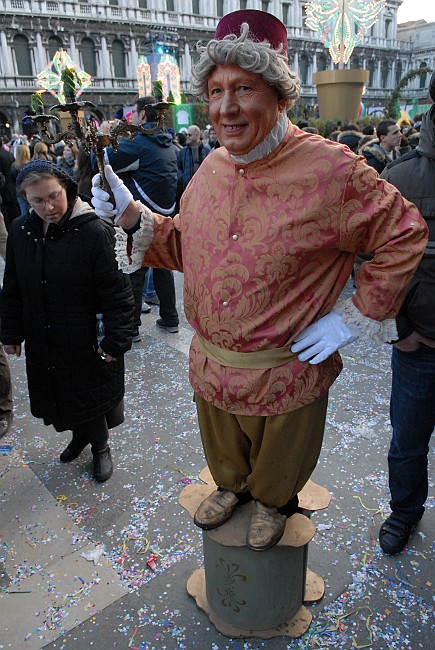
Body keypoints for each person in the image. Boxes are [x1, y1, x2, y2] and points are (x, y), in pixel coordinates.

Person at [91, 10, 427, 551]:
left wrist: (356, 314)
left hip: (285, 371)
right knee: (223, 450)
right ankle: (233, 486)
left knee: (281, 460)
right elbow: (186, 246)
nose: (225, 107)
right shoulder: (211, 167)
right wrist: (134, 217)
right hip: (211, 365)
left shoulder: (334, 170)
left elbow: (405, 232)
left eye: (243, 88)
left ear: (279, 94)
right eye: (216, 89)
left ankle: (273, 499)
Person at [0, 160, 134, 482]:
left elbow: (116, 290)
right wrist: (11, 331)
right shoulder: (21, 231)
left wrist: (118, 338)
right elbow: (13, 285)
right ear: (26, 200)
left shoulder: (93, 230)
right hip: (44, 332)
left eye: (54, 196)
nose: (48, 207)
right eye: (38, 201)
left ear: (66, 188)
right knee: (62, 393)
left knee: (89, 393)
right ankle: (80, 436)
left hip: (85, 334)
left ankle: (100, 446)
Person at [378, 74, 435, 555]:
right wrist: (400, 332)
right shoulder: (402, 176)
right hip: (421, 347)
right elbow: (373, 261)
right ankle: (404, 512)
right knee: (408, 444)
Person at [101, 95, 179, 339]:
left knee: (134, 269)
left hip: (140, 216)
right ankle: (170, 317)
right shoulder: (167, 142)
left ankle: (132, 327)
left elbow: (100, 161)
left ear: (143, 114)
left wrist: (105, 138)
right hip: (164, 214)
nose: (131, 118)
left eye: (133, 114)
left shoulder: (139, 143)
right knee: (162, 266)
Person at [176, 124, 209, 209]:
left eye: (189, 134)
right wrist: (182, 178)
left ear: (197, 135)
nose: (187, 136)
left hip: (204, 191)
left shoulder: (206, 151)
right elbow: (177, 168)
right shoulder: (182, 152)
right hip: (186, 190)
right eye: (186, 134)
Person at [10, 144, 31, 215]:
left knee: (24, 211)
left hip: (20, 192)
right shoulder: (31, 165)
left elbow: (13, 181)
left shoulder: (14, 167)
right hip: (30, 190)